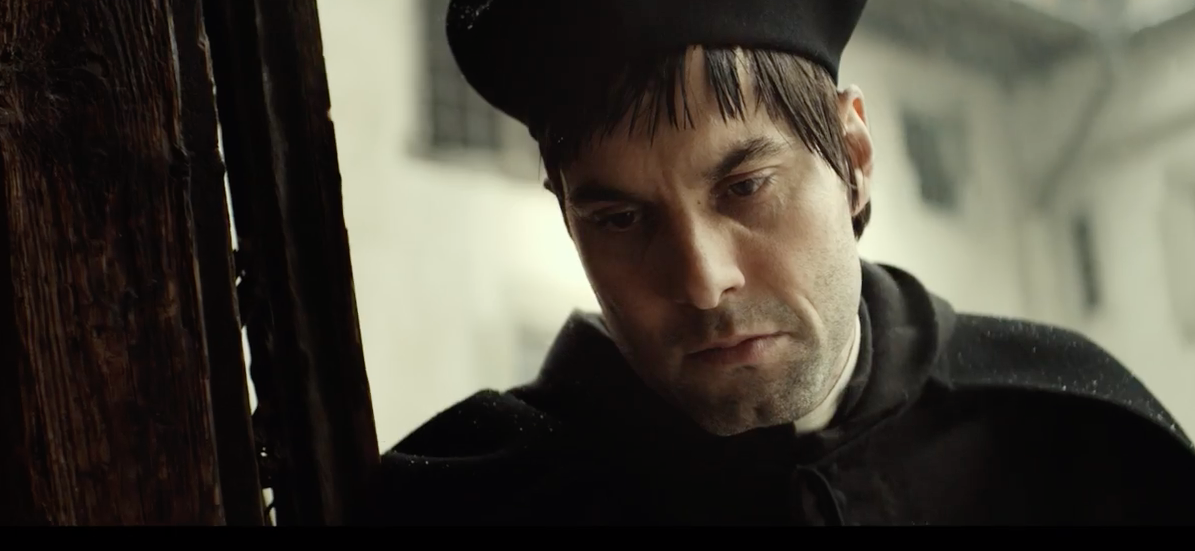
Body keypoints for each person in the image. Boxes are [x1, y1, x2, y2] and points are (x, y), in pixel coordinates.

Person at [359, 0, 1195, 525]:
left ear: (853, 156)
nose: (701, 280)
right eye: (620, 219)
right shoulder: (468, 507)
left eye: (744, 186)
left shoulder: (1075, 443)